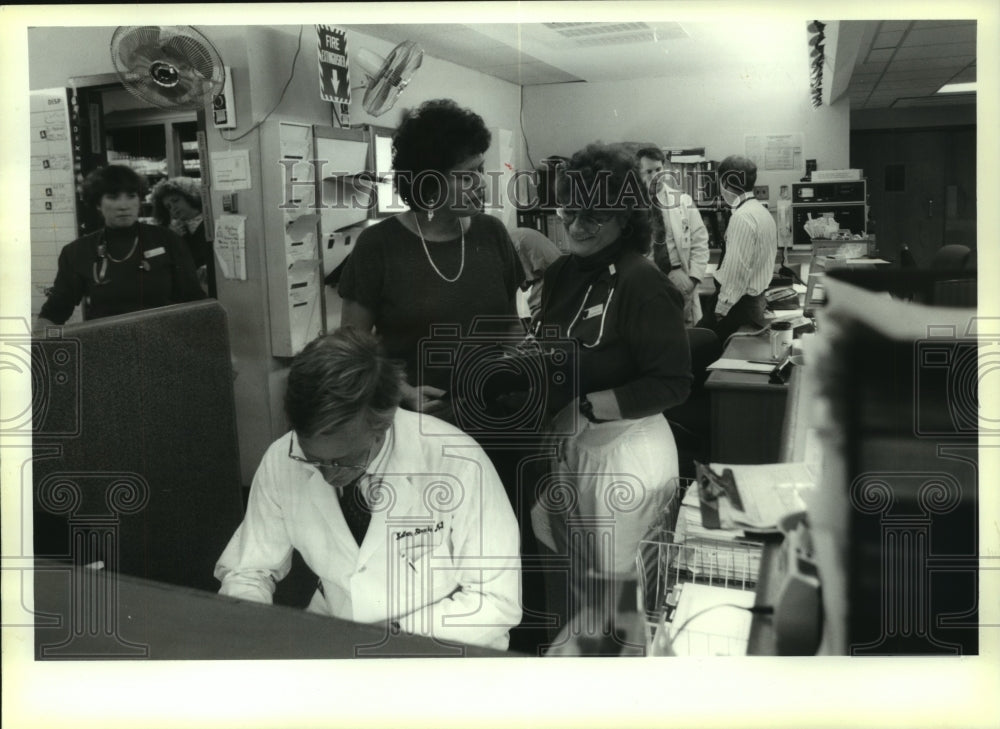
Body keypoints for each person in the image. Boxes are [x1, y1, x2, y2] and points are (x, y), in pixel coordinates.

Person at [214, 328, 522, 651]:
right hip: (336, 630)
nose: (326, 475)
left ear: (383, 423)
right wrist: (251, 627)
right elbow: (248, 571)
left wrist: (388, 636)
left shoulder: (456, 462)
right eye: (311, 458)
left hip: (440, 645)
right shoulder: (283, 458)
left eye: (342, 461)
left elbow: (496, 601)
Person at [527, 143, 692, 653]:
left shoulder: (644, 282)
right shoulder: (560, 273)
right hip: (574, 444)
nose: (577, 226)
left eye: (594, 215)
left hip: (628, 449)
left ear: (626, 216)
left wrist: (586, 407)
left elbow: (672, 383)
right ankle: (588, 657)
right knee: (574, 560)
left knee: (620, 589)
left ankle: (620, 676)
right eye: (569, 211)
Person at [338, 99, 522, 420]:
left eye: (479, 170)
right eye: (466, 176)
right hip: (419, 422)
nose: (481, 183)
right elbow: (352, 349)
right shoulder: (378, 246)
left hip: (497, 414)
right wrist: (402, 391)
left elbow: (510, 324)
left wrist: (518, 369)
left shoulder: (491, 233)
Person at [34, 165, 205, 329]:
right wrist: (45, 350)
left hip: (165, 346)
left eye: (131, 195)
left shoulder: (167, 240)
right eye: (113, 197)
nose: (124, 205)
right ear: (97, 203)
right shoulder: (78, 252)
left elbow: (195, 303)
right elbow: (55, 312)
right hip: (108, 349)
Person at [698, 155, 777, 342]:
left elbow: (736, 270)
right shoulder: (762, 212)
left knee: (698, 346)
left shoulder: (741, 217)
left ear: (725, 181)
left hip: (738, 307)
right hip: (755, 303)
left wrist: (721, 309)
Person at [636, 147, 710, 327]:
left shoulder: (683, 201)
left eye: (658, 170)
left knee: (683, 333)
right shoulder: (633, 205)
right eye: (649, 171)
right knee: (651, 331)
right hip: (646, 278)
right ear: (638, 173)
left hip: (678, 275)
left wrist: (693, 278)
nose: (655, 176)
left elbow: (700, 242)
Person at [150, 176, 215, 296]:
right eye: (168, 207)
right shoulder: (174, 232)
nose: (173, 208)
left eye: (175, 201)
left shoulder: (212, 221)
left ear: (191, 196)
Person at [508, 226, 563, 320]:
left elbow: (522, 281)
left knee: (539, 307)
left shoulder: (506, 245)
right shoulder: (512, 235)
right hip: (557, 264)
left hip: (547, 270)